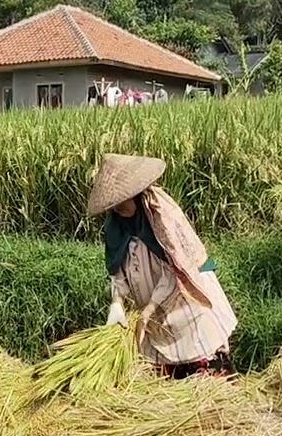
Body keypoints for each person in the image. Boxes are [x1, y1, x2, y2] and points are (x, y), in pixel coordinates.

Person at [86, 153, 239, 379]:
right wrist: (117, 303)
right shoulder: (114, 227)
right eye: (113, 205)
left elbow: (177, 266)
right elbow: (117, 272)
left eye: (122, 202)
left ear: (136, 194)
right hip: (153, 306)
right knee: (164, 364)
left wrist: (150, 308)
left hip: (184, 296)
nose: (118, 208)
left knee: (199, 351)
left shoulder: (160, 213)